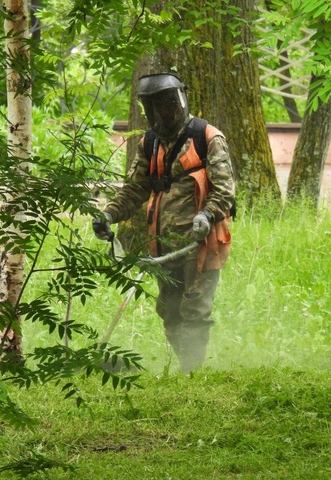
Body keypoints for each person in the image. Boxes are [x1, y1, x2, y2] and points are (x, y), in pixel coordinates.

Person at [93, 72, 234, 373]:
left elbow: (225, 191)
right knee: (170, 310)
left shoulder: (207, 137)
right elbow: (134, 189)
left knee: (194, 309)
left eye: (168, 104)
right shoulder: (150, 142)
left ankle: (193, 371)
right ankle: (187, 366)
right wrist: (108, 214)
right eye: (154, 107)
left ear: (181, 101)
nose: (163, 113)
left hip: (201, 243)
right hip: (164, 244)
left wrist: (207, 215)